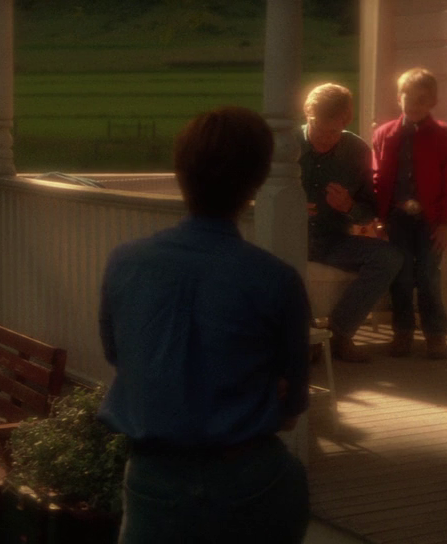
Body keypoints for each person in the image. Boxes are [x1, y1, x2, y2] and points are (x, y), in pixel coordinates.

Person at [98, 106, 311, 543]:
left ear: (181, 174)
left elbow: (121, 357)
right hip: (251, 478)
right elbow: (292, 409)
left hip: (154, 479)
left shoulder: (125, 263)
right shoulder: (275, 279)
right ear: (256, 181)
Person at [299, 83, 403, 363]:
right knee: (284, 265)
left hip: (333, 239)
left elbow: (371, 211)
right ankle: (305, 338)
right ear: (308, 115)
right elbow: (254, 194)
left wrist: (349, 207)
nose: (324, 139)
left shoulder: (356, 150)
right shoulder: (285, 144)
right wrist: (290, 208)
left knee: (389, 257)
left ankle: (339, 333)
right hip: (292, 239)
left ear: (345, 123)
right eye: (318, 129)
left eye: (333, 132)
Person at [372, 68, 447, 360]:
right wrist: (379, 218)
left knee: (428, 275)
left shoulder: (446, 137)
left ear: (433, 102)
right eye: (409, 98)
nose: (414, 105)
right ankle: (403, 331)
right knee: (401, 276)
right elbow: (376, 177)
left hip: (431, 221)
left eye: (422, 100)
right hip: (396, 218)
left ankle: (435, 334)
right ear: (398, 98)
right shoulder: (384, 135)